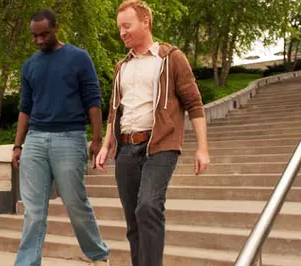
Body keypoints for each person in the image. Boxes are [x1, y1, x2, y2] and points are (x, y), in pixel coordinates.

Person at [95, 1, 210, 266]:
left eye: (127, 26)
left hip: (159, 145)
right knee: (133, 221)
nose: (122, 32)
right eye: (119, 28)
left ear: (145, 22)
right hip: (125, 147)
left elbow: (194, 104)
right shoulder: (121, 66)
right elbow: (115, 110)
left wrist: (202, 148)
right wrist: (105, 146)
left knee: (148, 206)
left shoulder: (171, 58)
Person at [11, 9, 110, 266]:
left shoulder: (78, 58)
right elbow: (25, 108)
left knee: (76, 204)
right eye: (35, 36)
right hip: (35, 140)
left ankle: (98, 256)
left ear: (56, 27)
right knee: (33, 211)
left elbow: (93, 102)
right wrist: (18, 145)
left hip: (70, 138)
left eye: (44, 34)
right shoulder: (30, 65)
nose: (39, 40)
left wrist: (97, 139)